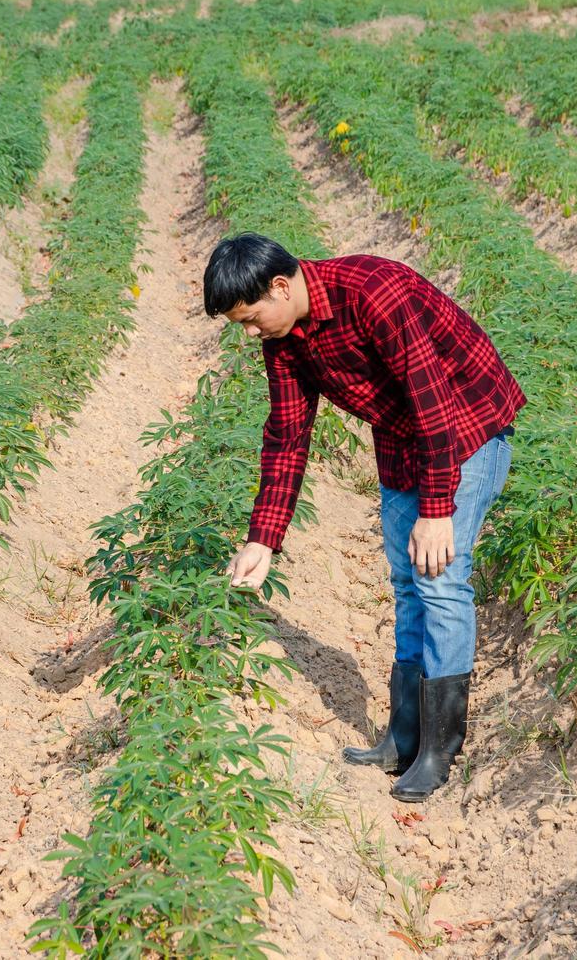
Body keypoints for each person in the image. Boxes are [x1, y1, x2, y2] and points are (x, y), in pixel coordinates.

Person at [204, 232, 525, 803]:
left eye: (250, 319)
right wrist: (263, 539)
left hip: (467, 428)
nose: (249, 333)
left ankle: (439, 748)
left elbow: (434, 405)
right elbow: (286, 436)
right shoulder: (285, 340)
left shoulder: (374, 293)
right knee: (407, 581)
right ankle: (403, 736)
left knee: (441, 580)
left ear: (281, 286)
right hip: (404, 437)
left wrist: (437, 509)